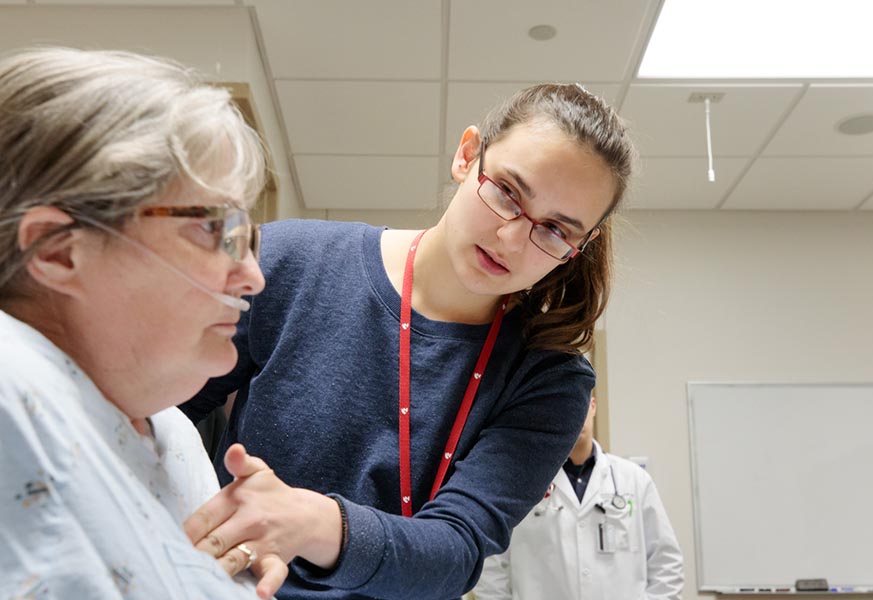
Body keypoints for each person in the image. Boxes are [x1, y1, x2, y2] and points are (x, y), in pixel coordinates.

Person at [181, 83, 636, 600]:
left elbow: (457, 548)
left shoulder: (549, 378)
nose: (511, 238)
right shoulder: (291, 262)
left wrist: (313, 521)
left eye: (555, 229)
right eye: (508, 192)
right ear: (468, 155)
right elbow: (153, 412)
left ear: (583, 243)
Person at [0, 47, 286, 599]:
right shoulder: (12, 394)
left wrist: (236, 557)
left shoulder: (168, 429)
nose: (253, 276)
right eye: (214, 229)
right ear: (58, 251)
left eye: (246, 238)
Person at [473, 396, 684, 600]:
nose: (573, 412)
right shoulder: (521, 482)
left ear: (593, 406)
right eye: (564, 404)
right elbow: (490, 567)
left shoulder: (634, 480)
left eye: (580, 402)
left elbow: (666, 563)